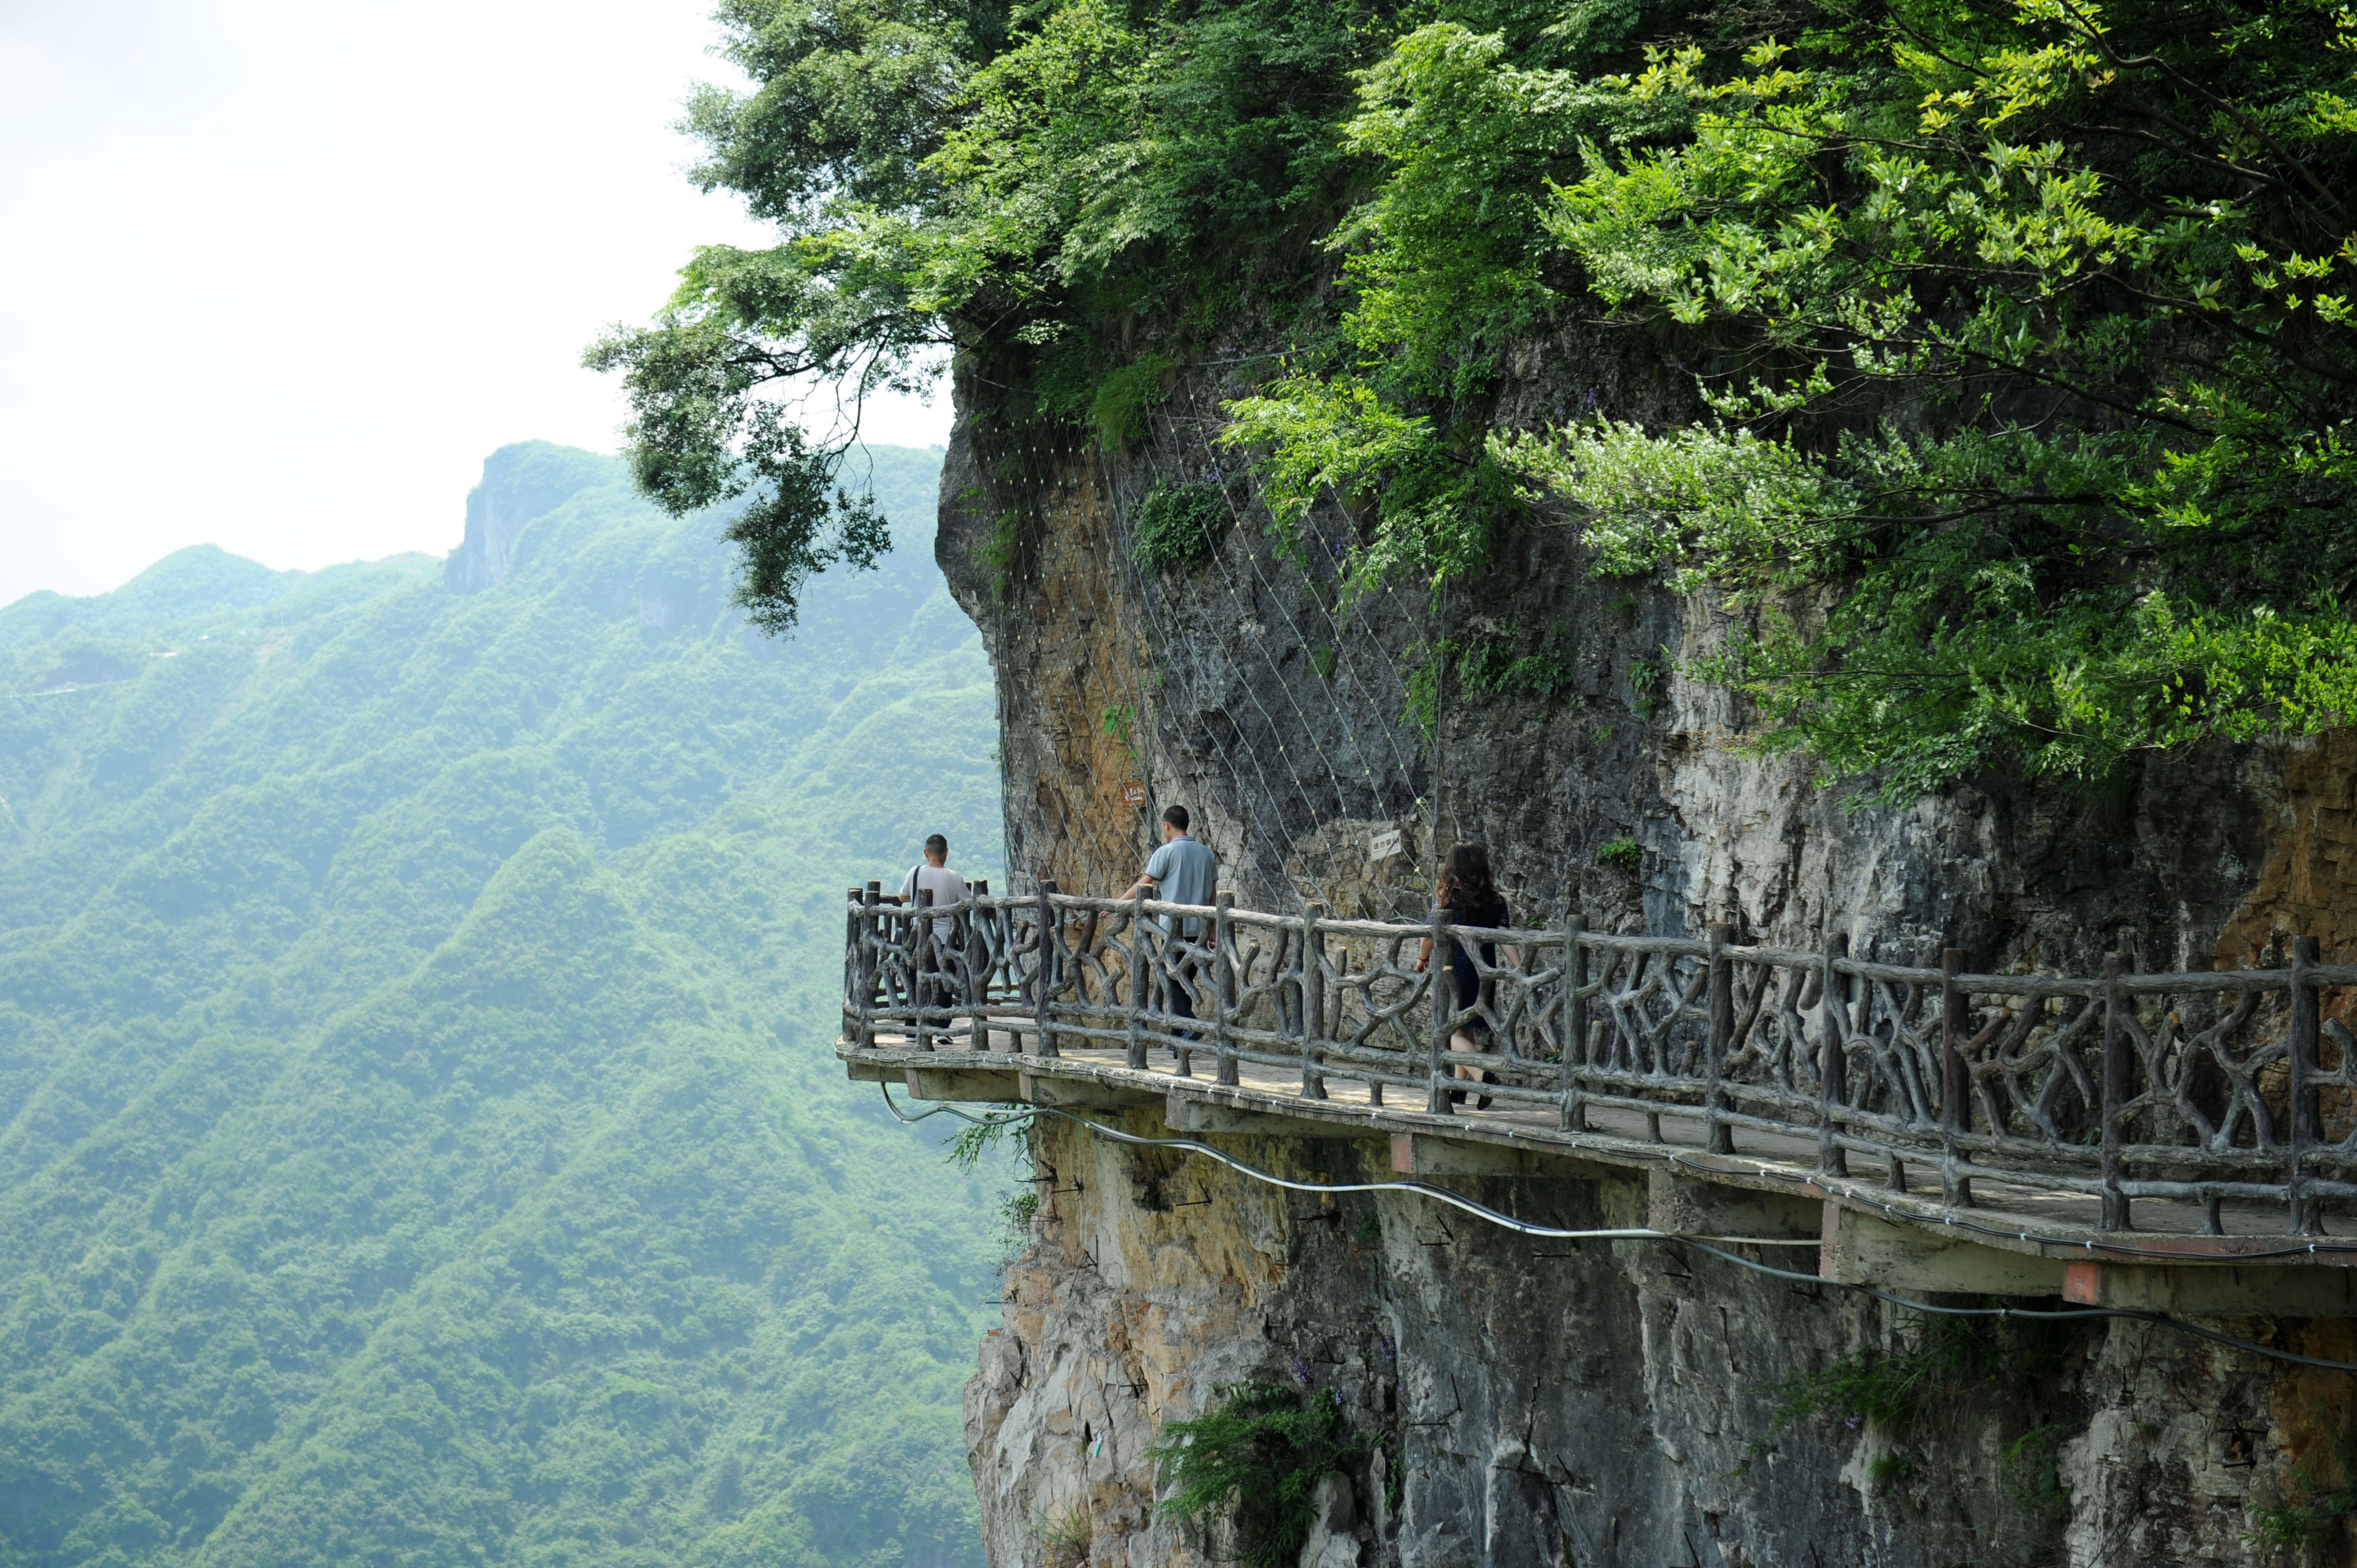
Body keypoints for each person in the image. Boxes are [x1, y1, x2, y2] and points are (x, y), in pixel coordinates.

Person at [1415, 841, 1512, 1109]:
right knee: (1465, 1028)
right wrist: (1519, 967)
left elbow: (1429, 936)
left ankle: (1484, 1078)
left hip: (1454, 971)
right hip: (1484, 972)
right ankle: (1460, 1089)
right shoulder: (1495, 900)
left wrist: (1422, 959)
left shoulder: (1447, 900)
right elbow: (1504, 936)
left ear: (1452, 867)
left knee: (1452, 1030)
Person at [1125, 805, 1217, 1033]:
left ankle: (1189, 1027)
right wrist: (1213, 930)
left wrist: (1119, 903)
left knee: (1173, 980)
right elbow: (1213, 897)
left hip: (1173, 931)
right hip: (1200, 930)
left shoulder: (1166, 852)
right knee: (1181, 981)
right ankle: (1180, 1039)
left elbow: (1144, 883)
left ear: (1166, 826)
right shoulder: (1207, 854)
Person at [894, 834, 969, 1025]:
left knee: (915, 981)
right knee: (945, 980)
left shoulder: (915, 872)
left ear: (925, 853)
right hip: (944, 940)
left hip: (918, 937)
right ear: (946, 853)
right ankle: (942, 1027)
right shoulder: (954, 878)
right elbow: (969, 902)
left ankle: (912, 1026)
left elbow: (903, 897)